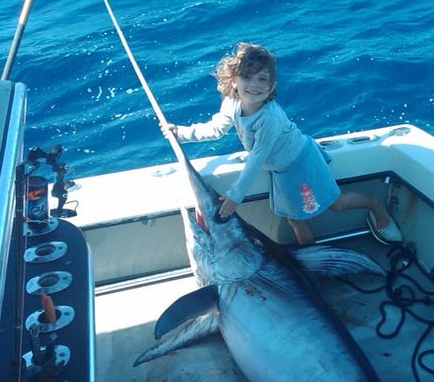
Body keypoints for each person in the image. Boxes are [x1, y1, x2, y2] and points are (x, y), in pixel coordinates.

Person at [161, 42, 402, 245]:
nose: (254, 85)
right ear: (234, 81)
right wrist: (181, 133)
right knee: (295, 219)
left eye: (262, 79)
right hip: (280, 169)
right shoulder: (231, 103)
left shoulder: (270, 117)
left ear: (271, 87)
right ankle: (311, 259)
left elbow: (256, 158)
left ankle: (375, 205)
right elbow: (215, 129)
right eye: (246, 77)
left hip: (301, 162)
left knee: (335, 204)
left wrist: (236, 196)